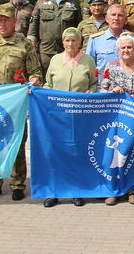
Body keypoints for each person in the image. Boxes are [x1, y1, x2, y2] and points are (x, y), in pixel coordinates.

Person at [0, 4, 42, 201]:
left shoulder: (24, 45)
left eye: (6, 19)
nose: (2, 23)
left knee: (17, 143)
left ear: (14, 21)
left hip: (15, 104)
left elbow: (35, 72)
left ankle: (17, 184)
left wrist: (33, 82)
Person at [98, 33, 134, 206]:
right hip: (116, 119)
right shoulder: (111, 67)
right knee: (115, 154)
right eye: (123, 47)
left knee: (133, 153)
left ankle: (131, 189)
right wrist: (111, 91)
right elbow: (102, 89)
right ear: (118, 50)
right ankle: (113, 190)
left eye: (129, 47)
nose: (126, 50)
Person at [42, 27, 98, 208]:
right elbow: (48, 84)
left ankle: (76, 190)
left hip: (80, 116)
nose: (70, 43)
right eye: (67, 40)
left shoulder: (88, 60)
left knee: (77, 152)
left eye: (74, 40)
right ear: (62, 42)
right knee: (55, 153)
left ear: (80, 42)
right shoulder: (55, 60)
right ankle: (54, 192)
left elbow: (94, 83)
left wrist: (92, 91)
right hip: (57, 117)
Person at [28, 0, 82, 73]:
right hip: (46, 52)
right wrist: (33, 51)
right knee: (46, 81)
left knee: (66, 78)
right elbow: (33, 27)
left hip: (67, 51)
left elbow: (79, 28)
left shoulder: (73, 4)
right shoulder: (41, 3)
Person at [86, 4, 134, 77]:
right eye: (113, 15)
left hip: (128, 85)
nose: (116, 18)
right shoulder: (95, 40)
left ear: (126, 20)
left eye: (120, 15)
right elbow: (88, 66)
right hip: (103, 86)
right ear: (107, 18)